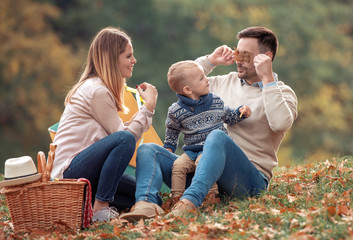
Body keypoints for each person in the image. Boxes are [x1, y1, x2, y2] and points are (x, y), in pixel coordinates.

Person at [120, 26, 297, 221]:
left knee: (217, 136)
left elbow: (280, 124)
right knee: (148, 150)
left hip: (246, 181)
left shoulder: (281, 92)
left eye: (246, 55)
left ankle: (189, 203)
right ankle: (146, 204)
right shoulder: (225, 82)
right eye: (237, 53)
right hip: (202, 171)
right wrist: (210, 61)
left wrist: (268, 79)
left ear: (267, 57)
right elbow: (184, 83)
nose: (238, 60)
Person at [51, 27, 158, 222]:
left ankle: (88, 206)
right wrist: (148, 108)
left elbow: (122, 135)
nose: (134, 61)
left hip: (90, 172)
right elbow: (126, 139)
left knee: (146, 196)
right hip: (69, 173)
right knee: (124, 139)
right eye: (128, 56)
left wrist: (145, 111)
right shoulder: (96, 91)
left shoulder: (99, 88)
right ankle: (101, 207)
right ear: (111, 58)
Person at [161, 60, 251, 210]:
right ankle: (176, 198)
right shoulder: (175, 111)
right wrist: (169, 148)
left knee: (203, 163)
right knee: (178, 165)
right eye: (202, 78)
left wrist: (241, 112)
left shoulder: (215, 101)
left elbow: (229, 117)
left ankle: (212, 197)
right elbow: (172, 131)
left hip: (212, 150)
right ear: (188, 89)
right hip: (192, 150)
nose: (207, 79)